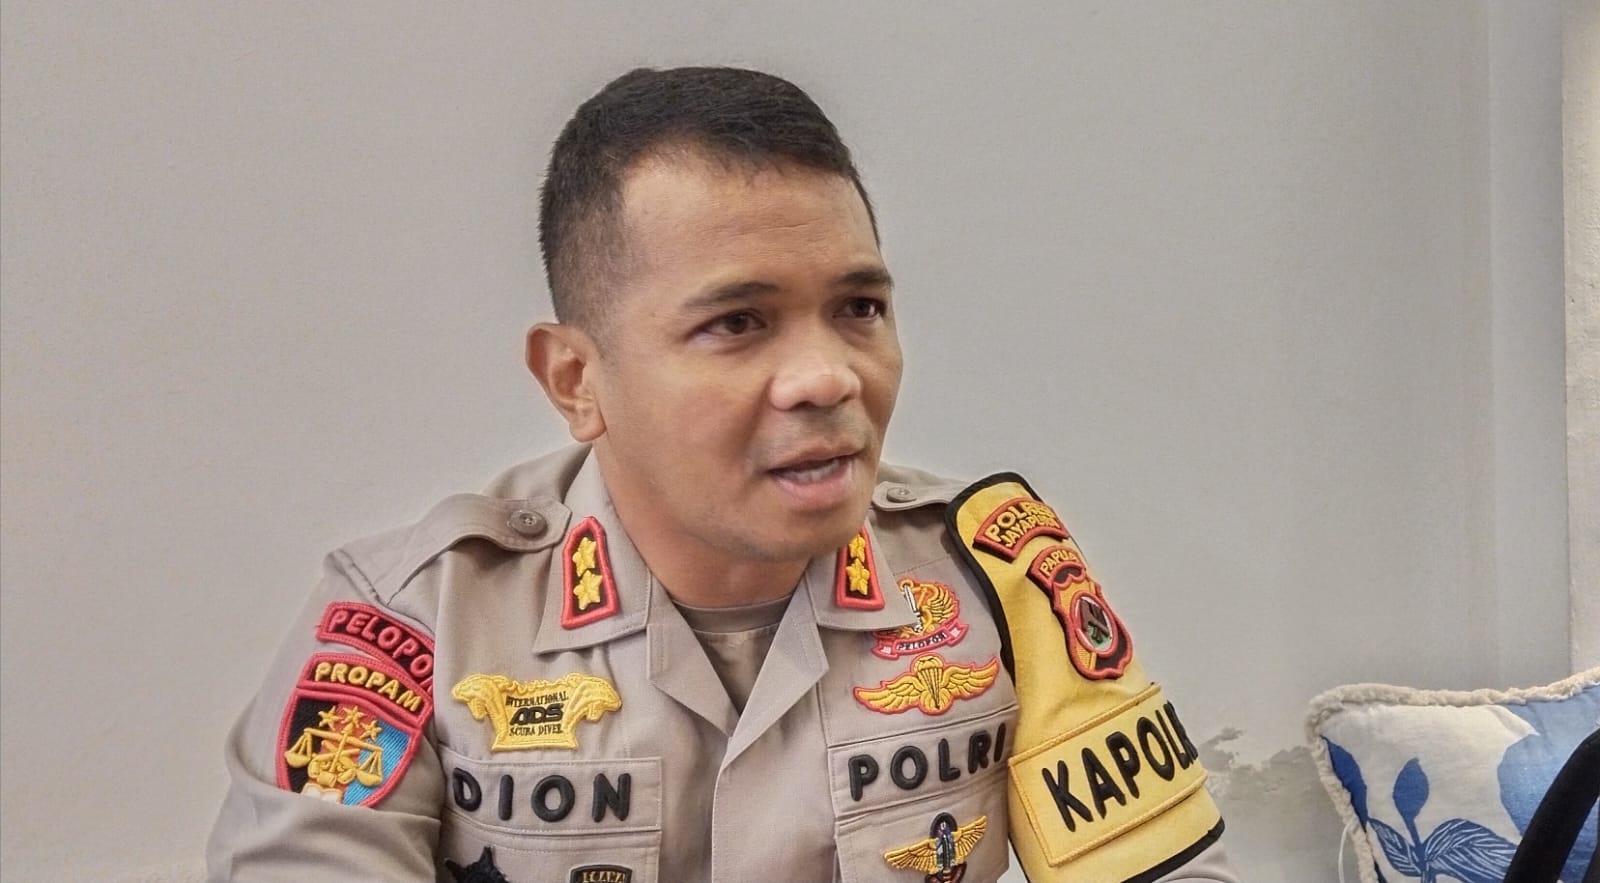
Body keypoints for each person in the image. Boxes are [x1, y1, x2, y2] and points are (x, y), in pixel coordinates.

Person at [207, 66, 1240, 883]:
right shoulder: (417, 621)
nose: (828, 376)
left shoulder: (998, 578)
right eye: (737, 322)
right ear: (576, 380)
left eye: (860, 308)